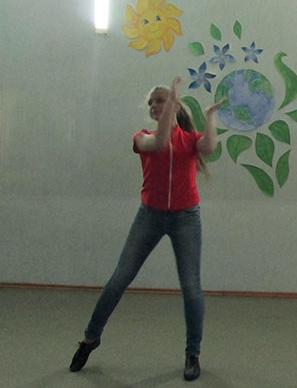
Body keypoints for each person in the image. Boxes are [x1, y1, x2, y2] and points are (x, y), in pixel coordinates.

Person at [69, 77, 223, 381]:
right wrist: (172, 102)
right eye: (151, 102)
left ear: (174, 106)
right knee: (119, 278)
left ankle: (192, 353)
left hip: (185, 217)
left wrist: (209, 117)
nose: (154, 105)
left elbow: (209, 146)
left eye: (160, 100)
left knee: (191, 287)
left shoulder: (189, 139)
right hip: (150, 216)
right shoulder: (142, 137)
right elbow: (160, 142)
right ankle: (90, 338)